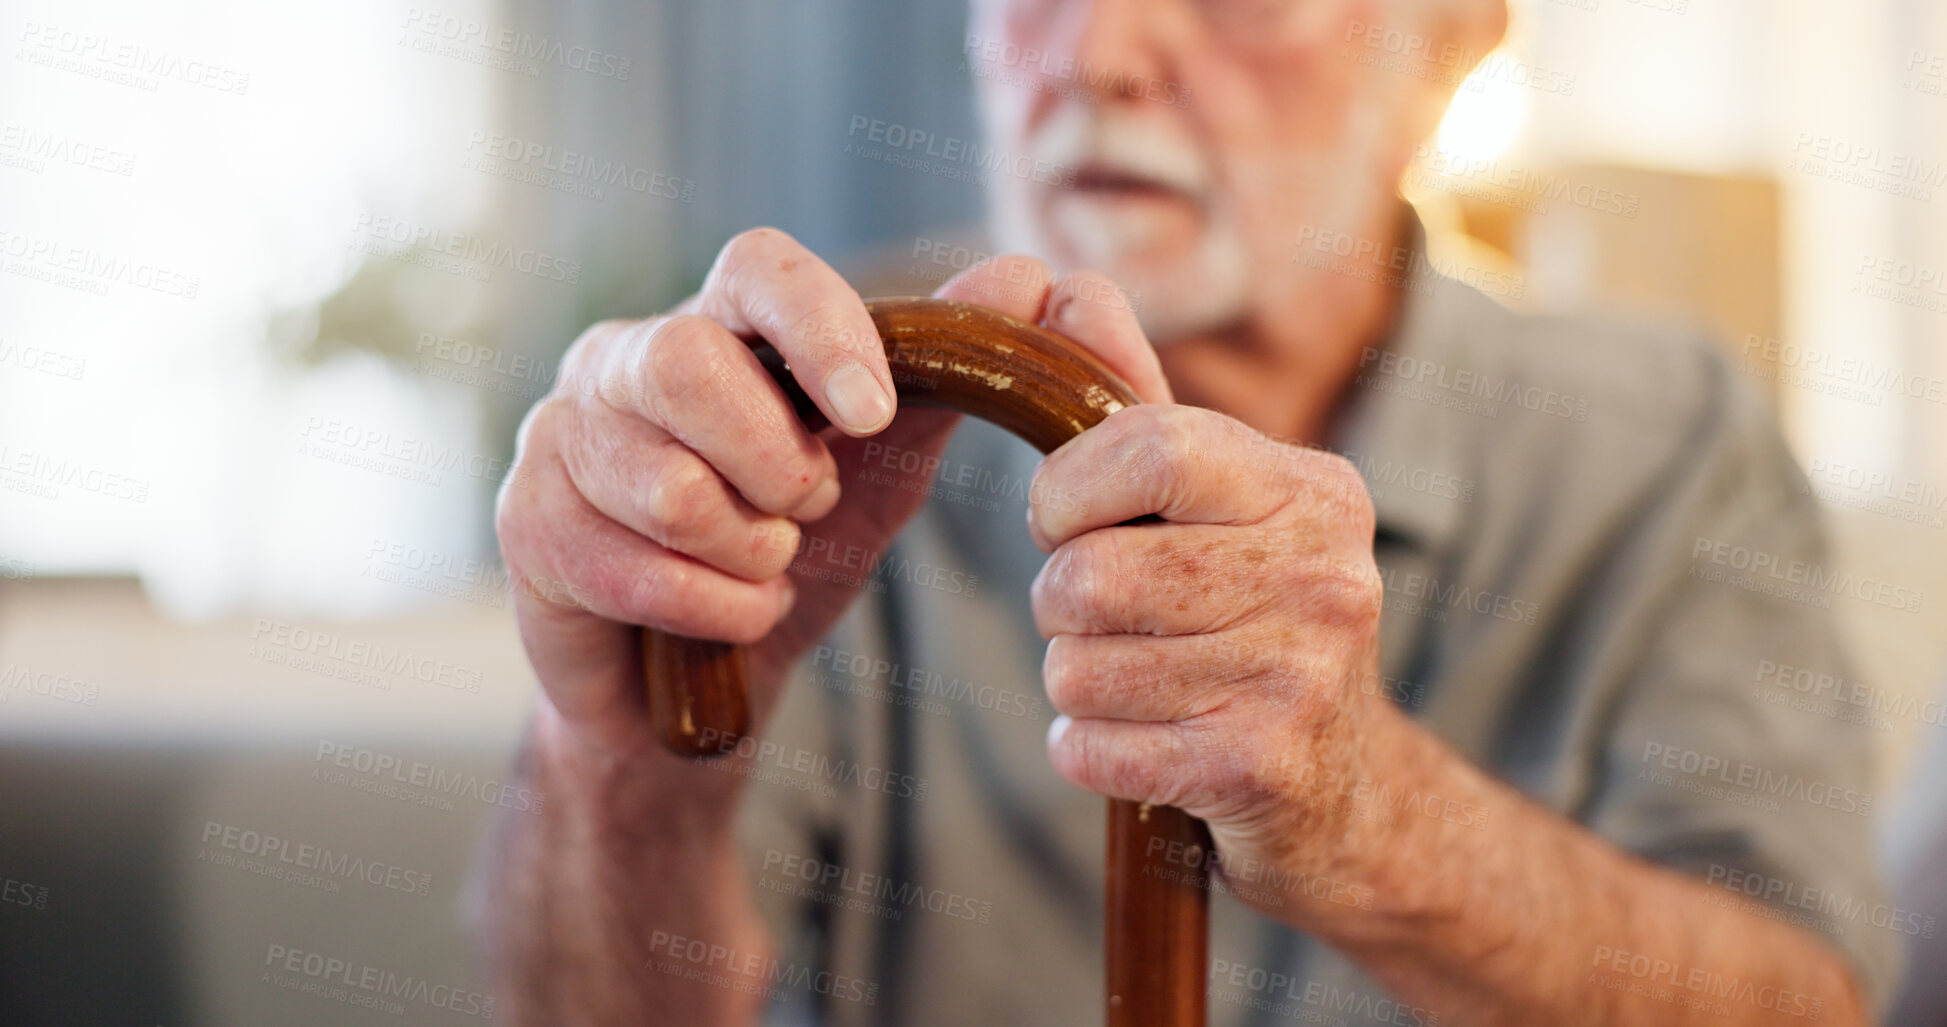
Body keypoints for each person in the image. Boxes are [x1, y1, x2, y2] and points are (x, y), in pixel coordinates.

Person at [484, 0, 1897, 1023]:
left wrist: (1374, 817)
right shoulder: (801, 418)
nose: (1098, 50)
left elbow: (1801, 998)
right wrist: (623, 764)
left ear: (1451, 49)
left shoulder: (1664, 448)